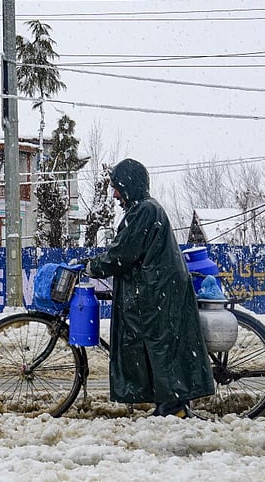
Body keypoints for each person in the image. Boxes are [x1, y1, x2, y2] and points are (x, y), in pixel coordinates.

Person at [85, 158, 214, 417]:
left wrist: (94, 266)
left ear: (129, 185)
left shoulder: (144, 210)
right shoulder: (145, 209)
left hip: (155, 291)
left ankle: (173, 406)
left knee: (158, 345)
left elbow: (124, 252)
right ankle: (169, 403)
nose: (115, 194)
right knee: (157, 344)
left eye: (117, 188)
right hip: (157, 288)